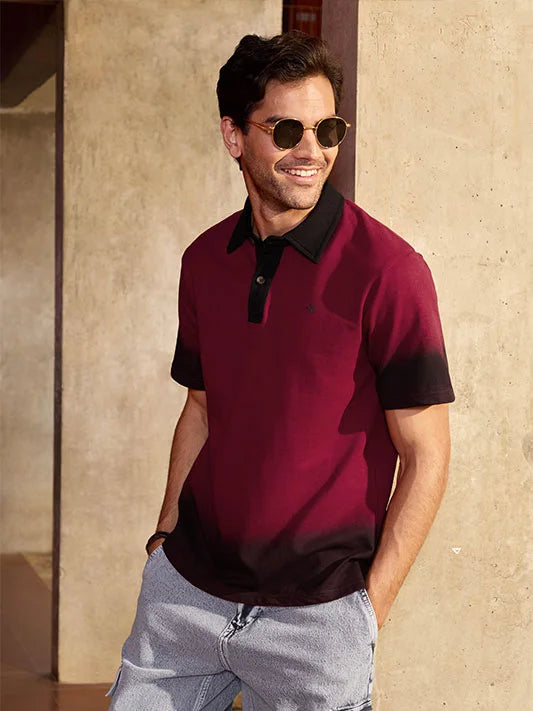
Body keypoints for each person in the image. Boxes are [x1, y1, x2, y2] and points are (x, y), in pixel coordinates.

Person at [105, 30, 455, 711]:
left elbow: (427, 455)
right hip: (186, 596)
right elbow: (202, 408)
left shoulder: (388, 272)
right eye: (287, 129)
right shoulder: (204, 261)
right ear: (233, 136)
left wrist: (366, 611)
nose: (311, 150)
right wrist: (164, 534)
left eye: (327, 130)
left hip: (317, 618)